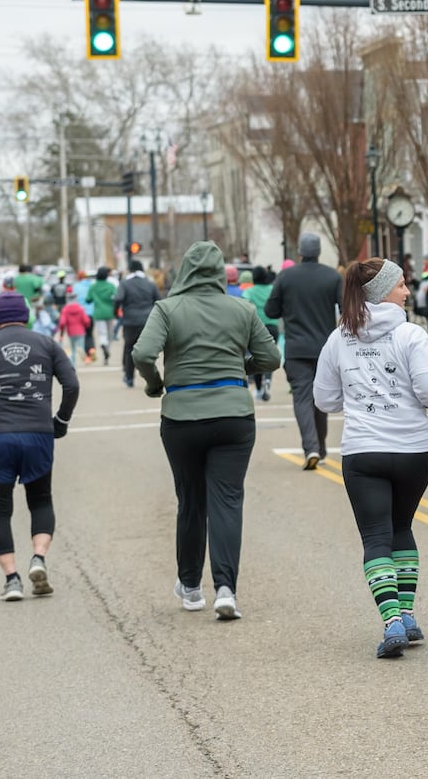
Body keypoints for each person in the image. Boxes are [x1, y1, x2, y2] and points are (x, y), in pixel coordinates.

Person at [134, 241, 281, 621]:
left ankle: (191, 587)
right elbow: (270, 358)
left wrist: (156, 384)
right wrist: (235, 371)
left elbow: (142, 354)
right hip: (233, 415)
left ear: (185, 271)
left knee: (191, 501)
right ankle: (227, 589)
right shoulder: (241, 308)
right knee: (227, 500)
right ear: (220, 273)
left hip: (182, 417)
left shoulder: (167, 310)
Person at [314, 258, 428, 659]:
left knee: (376, 537)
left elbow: (324, 399)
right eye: (401, 285)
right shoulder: (412, 335)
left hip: (363, 449)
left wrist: (356, 397)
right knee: (402, 528)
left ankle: (390, 621)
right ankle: (406, 614)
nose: (408, 292)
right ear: (382, 292)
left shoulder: (339, 338)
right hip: (412, 449)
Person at [0, 291, 78, 601]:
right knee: (40, 500)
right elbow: (72, 385)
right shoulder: (47, 344)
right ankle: (38, 558)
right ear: (26, 316)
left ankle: (12, 579)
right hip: (38, 433)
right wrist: (60, 420)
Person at [265, 233, 342, 470]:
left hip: (297, 347)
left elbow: (270, 310)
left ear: (299, 252)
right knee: (321, 397)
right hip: (325, 347)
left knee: (302, 398)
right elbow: (346, 308)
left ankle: (311, 448)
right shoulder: (333, 277)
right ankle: (319, 447)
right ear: (318, 252)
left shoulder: (286, 277)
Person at [114, 260, 161, 389]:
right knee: (148, 350)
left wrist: (116, 314)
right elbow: (159, 301)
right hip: (148, 321)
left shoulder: (125, 284)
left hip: (130, 321)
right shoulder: (150, 284)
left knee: (130, 349)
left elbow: (118, 299)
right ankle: (151, 378)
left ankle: (129, 378)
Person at [240, 269, 277, 402]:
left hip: (256, 328)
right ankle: (267, 380)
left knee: (256, 356)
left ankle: (258, 389)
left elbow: (243, 303)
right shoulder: (272, 289)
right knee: (269, 354)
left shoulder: (250, 291)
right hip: (273, 326)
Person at [86, 267, 117, 365]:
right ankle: (107, 353)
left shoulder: (93, 286)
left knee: (102, 333)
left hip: (98, 313)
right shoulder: (111, 286)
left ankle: (103, 345)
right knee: (110, 334)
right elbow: (116, 297)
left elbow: (88, 299)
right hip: (110, 312)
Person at [57, 292, 91, 366]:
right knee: (80, 345)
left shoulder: (65, 309)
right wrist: (87, 326)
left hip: (71, 331)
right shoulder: (80, 308)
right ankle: (81, 350)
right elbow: (86, 320)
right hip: (81, 330)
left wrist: (62, 332)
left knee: (73, 349)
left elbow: (62, 322)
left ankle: (73, 364)